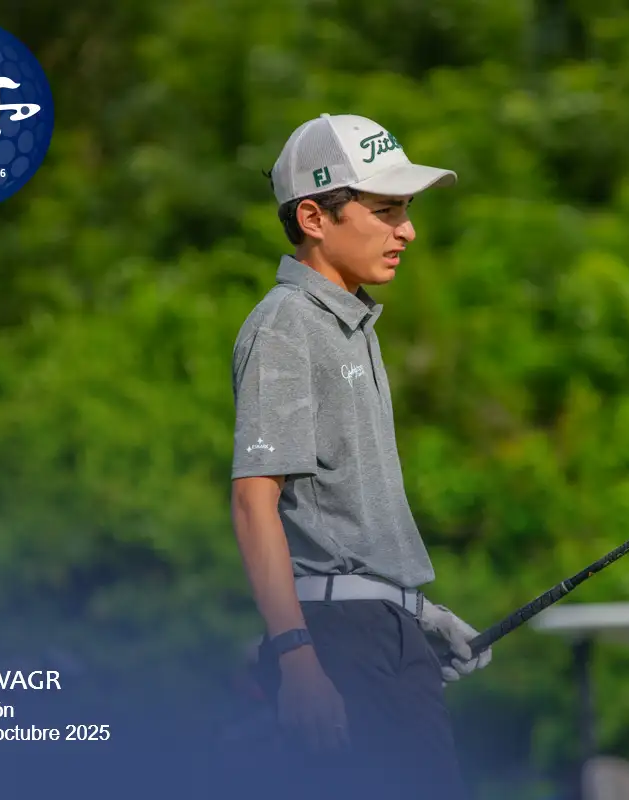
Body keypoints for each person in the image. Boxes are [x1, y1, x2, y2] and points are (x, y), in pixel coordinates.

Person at [229, 113, 491, 800]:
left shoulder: (354, 324)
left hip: (384, 635)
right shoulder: (286, 324)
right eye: (386, 211)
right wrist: (297, 660)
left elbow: (346, 518)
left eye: (405, 210)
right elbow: (254, 502)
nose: (407, 231)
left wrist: (417, 614)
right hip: (337, 643)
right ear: (313, 217)